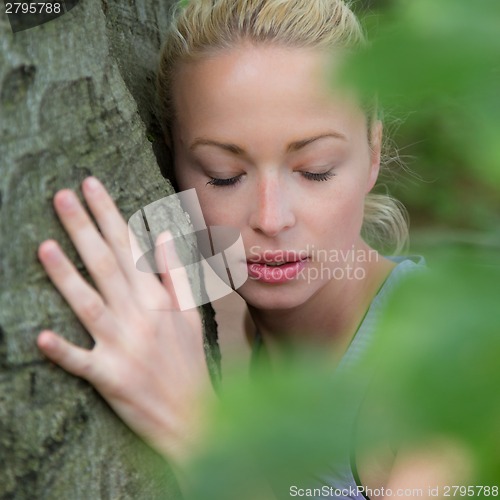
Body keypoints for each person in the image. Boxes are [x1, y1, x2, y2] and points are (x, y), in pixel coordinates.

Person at [36, 0, 428, 497]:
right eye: (225, 176)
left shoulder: (446, 366)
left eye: (316, 169)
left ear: (373, 153)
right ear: (167, 170)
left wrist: (194, 427)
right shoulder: (242, 336)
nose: (271, 218)